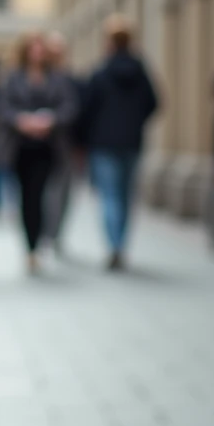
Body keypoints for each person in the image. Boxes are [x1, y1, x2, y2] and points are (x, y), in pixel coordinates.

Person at [76, 15, 158, 271]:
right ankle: (121, 244)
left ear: (109, 42)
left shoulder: (100, 73)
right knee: (125, 196)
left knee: (109, 195)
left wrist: (85, 139)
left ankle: (113, 246)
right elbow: (153, 103)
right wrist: (135, 122)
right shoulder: (141, 72)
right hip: (132, 142)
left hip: (103, 143)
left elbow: (86, 109)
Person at [0, 31, 78, 274]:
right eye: (33, 47)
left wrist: (50, 120)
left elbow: (70, 107)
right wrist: (21, 121)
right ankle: (30, 247)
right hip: (20, 148)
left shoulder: (57, 78)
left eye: (41, 47)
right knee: (26, 197)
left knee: (42, 195)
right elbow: (2, 107)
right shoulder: (13, 77)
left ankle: (39, 241)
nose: (38, 52)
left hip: (49, 148)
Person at [42, 30, 85, 253]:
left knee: (65, 192)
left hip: (68, 145)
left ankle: (56, 233)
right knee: (49, 191)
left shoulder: (73, 80)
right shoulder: (41, 78)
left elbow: (82, 112)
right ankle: (47, 232)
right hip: (43, 146)